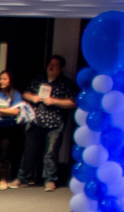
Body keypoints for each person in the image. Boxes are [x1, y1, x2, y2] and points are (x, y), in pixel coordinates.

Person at [19, 55, 79, 190]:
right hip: (35, 122)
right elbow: (25, 93)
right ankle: (22, 177)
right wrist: (33, 97)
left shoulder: (66, 84)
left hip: (54, 124)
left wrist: (55, 101)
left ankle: (50, 179)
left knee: (50, 153)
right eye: (49, 64)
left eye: (55, 65)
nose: (51, 67)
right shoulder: (39, 80)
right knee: (29, 151)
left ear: (61, 68)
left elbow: (73, 102)